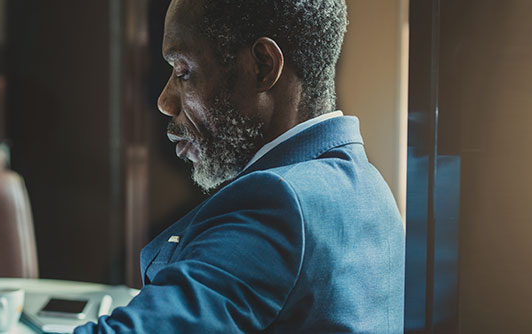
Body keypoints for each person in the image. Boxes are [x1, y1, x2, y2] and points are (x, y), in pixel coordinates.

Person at [74, 0, 404, 332]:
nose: (164, 101)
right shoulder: (371, 189)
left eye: (183, 71)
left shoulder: (277, 202)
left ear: (262, 66)